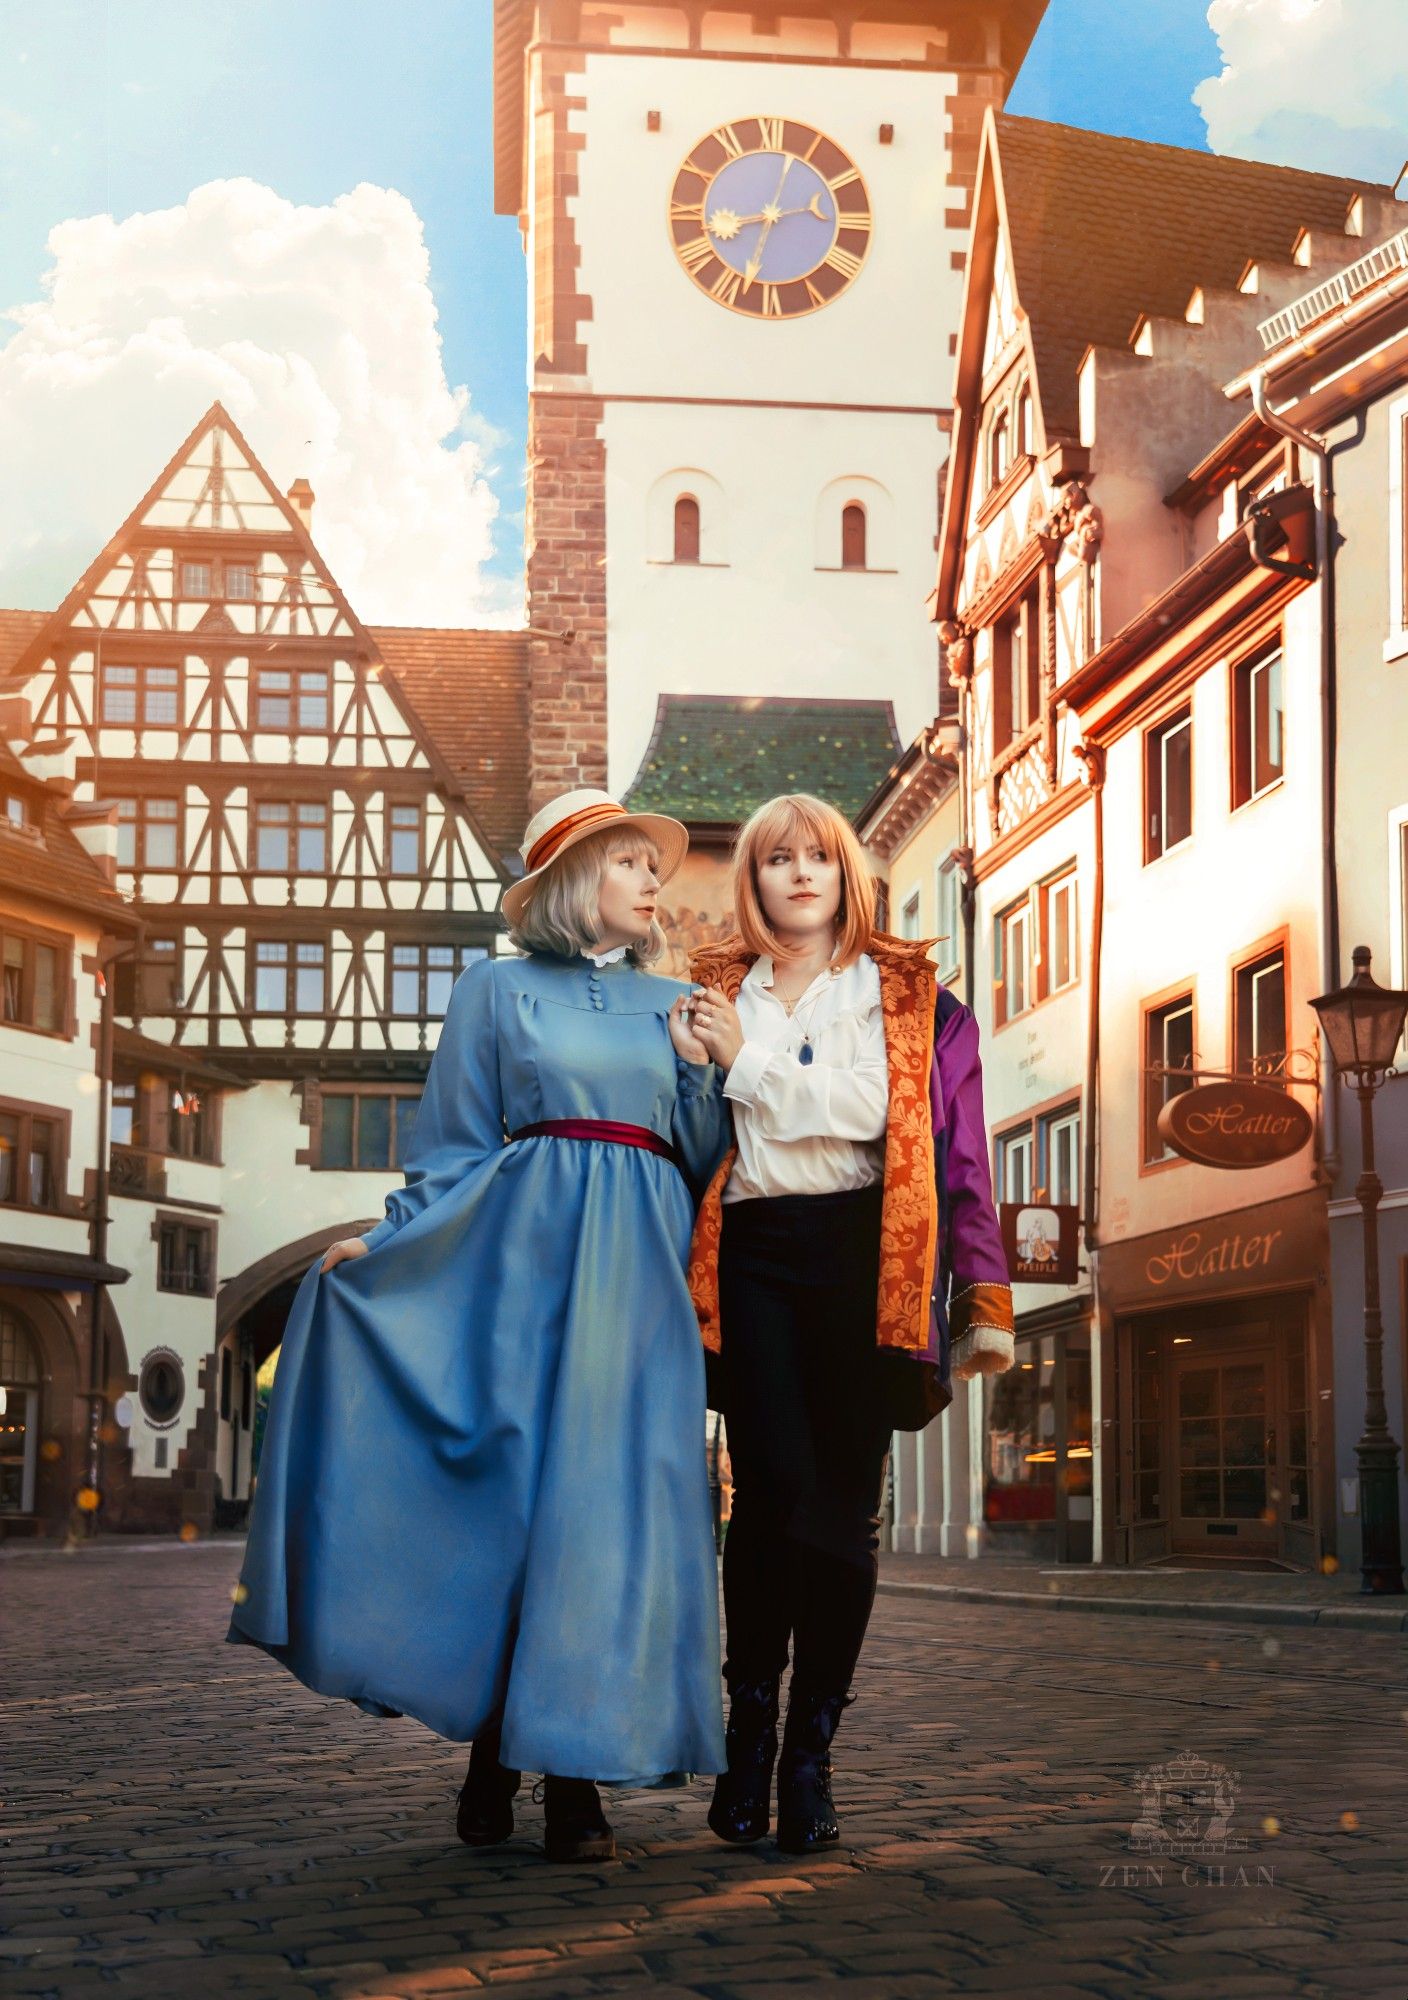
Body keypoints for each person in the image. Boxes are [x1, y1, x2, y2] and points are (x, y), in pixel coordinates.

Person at [229, 789, 730, 1863]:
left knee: (605, 1517)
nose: (654, 881)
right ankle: (499, 1745)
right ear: (571, 880)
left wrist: (705, 1072)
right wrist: (392, 1240)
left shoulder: (682, 997)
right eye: (632, 863)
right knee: (514, 1504)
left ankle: (575, 1775)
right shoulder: (494, 987)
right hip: (518, 1262)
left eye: (655, 866)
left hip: (637, 1274)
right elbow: (454, 1140)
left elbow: (697, 1162)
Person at [684, 793, 1014, 1855]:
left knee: (841, 1510)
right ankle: (749, 1725)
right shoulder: (706, 989)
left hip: (869, 1256)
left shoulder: (914, 995)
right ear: (754, 877)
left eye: (816, 854)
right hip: (751, 1253)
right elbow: (679, 1136)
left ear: (847, 871)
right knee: (770, 1490)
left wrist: (983, 1292)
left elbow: (909, 1126)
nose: (797, 872)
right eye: (774, 856)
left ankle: (809, 1752)